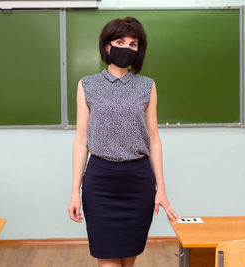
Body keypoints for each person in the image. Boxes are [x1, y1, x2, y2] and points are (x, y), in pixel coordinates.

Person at [68, 16, 181, 267]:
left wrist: (161, 189)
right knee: (107, 261)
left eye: (133, 44)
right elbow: (81, 141)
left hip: (137, 182)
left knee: (129, 261)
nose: (127, 48)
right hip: (100, 182)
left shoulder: (147, 86)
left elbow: (154, 140)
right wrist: (75, 192)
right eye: (120, 41)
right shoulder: (87, 85)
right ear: (107, 46)